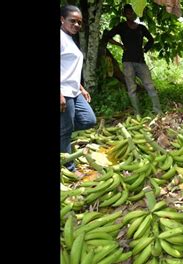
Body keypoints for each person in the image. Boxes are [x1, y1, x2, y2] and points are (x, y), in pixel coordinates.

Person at [103, 4, 163, 115]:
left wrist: (145, 49)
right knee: (131, 89)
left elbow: (151, 40)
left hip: (140, 61)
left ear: (135, 13)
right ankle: (137, 114)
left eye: (132, 12)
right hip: (127, 62)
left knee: (150, 86)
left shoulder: (141, 27)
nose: (131, 14)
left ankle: (158, 111)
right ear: (124, 14)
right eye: (128, 12)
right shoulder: (121, 26)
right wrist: (119, 45)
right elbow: (107, 36)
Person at [61, 5, 97, 174]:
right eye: (72, 21)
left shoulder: (70, 39)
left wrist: (81, 87)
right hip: (64, 92)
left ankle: (62, 134)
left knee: (89, 120)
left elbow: (69, 68)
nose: (76, 25)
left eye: (79, 22)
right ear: (62, 19)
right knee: (66, 130)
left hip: (74, 91)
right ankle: (69, 168)